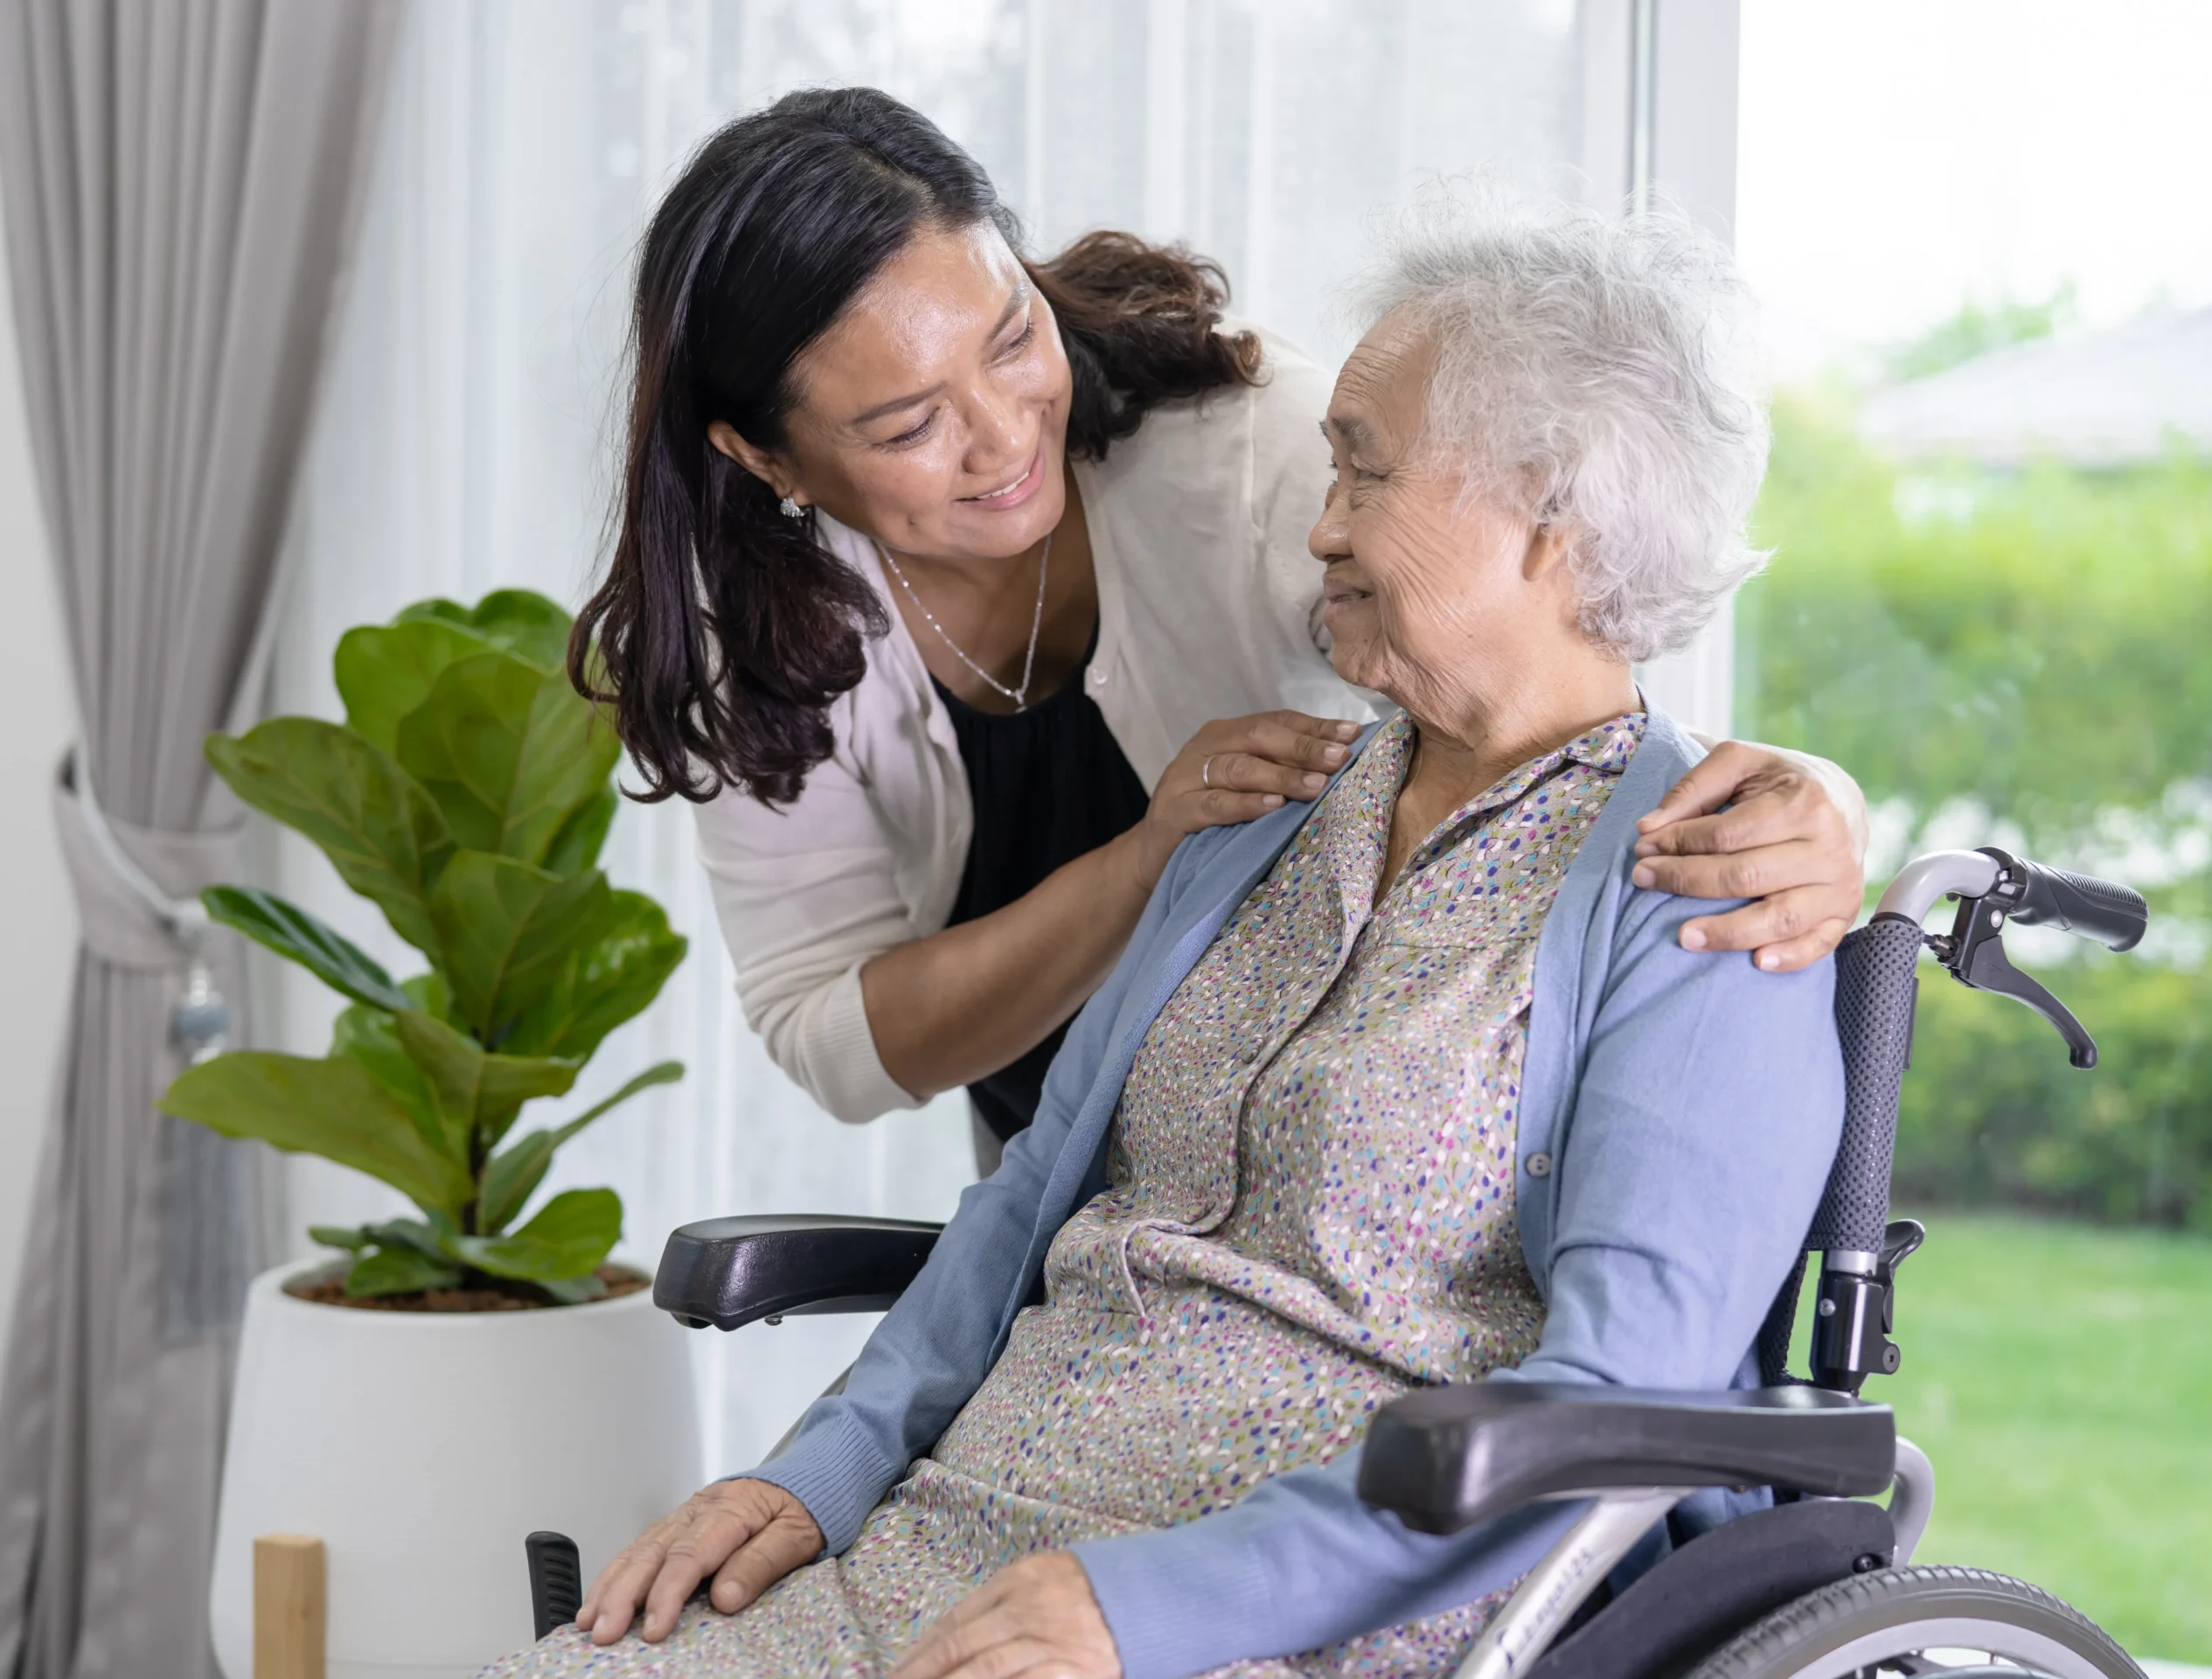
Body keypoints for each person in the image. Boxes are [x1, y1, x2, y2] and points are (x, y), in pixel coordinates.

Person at [490, 185, 1846, 1679]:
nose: (1320, 522)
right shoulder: (1258, 815)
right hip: (965, 1541)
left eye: (1365, 474)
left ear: (1554, 515)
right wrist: (809, 1477)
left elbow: (1616, 1394)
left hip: (1312, 1608)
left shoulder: (1703, 899)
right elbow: (1019, 1211)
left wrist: (1154, 1609)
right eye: (1331, 466)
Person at [569, 87, 1868, 1168]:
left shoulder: (1256, 455)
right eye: (910, 426)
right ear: (766, 458)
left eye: (1013, 335)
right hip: (1083, 1198)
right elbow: (837, 1041)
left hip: (1330, 1167)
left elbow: (1575, 662)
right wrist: (1148, 863)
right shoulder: (753, 631)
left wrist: (1813, 802)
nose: (1006, 432)